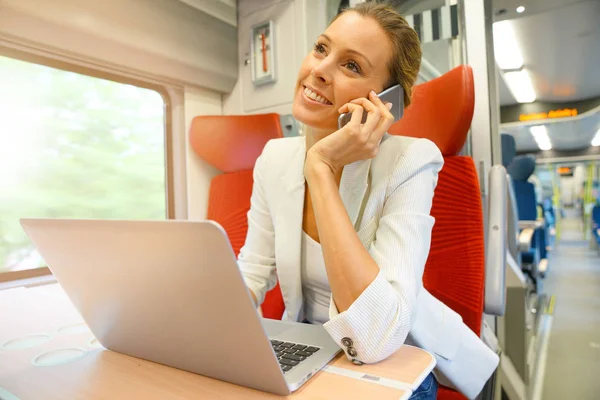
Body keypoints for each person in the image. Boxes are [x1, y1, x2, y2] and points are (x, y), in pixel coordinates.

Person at [237, 2, 498, 399]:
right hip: (311, 349)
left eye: (352, 66)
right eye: (322, 49)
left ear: (385, 100)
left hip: (398, 359)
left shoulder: (412, 160)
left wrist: (321, 168)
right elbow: (254, 272)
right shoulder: (273, 158)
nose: (319, 70)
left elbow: (376, 338)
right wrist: (201, 317)